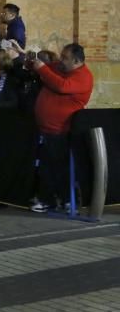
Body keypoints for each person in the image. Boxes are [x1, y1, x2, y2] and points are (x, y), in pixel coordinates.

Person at [25, 44, 94, 213]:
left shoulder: (83, 76)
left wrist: (42, 70)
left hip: (61, 130)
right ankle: (61, 199)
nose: (60, 60)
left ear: (77, 61)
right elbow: (43, 68)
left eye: (65, 57)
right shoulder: (60, 67)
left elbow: (62, 86)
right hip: (45, 128)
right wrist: (31, 62)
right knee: (50, 165)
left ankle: (51, 200)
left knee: (54, 167)